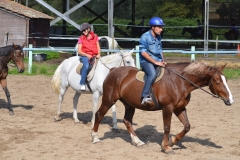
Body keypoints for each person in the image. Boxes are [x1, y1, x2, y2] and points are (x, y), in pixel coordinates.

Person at [139, 17, 166, 105]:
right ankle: (145, 95)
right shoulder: (145, 37)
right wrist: (155, 62)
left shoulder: (158, 37)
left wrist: (163, 61)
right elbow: (143, 53)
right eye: (159, 27)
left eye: (161, 27)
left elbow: (160, 50)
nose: (161, 29)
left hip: (157, 60)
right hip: (146, 62)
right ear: (153, 27)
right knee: (152, 74)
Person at [77, 22, 101, 91]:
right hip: (85, 56)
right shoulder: (81, 38)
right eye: (82, 31)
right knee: (86, 66)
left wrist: (99, 54)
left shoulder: (95, 37)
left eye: (84, 30)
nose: (83, 32)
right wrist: (86, 55)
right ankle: (82, 83)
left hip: (94, 55)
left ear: (89, 29)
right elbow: (79, 51)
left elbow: (98, 47)